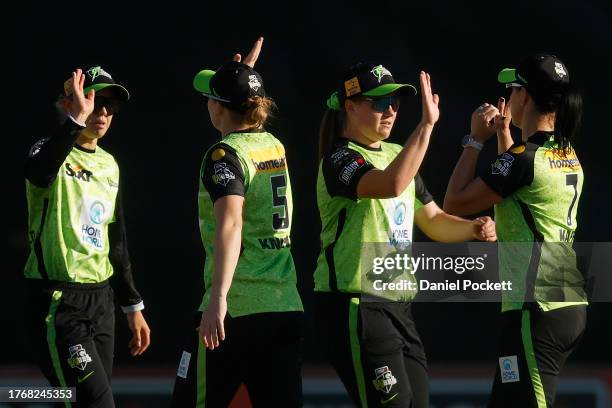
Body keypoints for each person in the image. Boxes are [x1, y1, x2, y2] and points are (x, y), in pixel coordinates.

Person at [314, 62, 497, 408]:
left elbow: (434, 220)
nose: (391, 111)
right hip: (357, 306)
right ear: (350, 106)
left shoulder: (399, 154)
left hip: (399, 308)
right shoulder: (340, 158)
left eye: (396, 103)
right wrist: (427, 126)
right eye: (380, 103)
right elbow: (391, 184)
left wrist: (471, 228)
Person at [443, 54, 587, 408]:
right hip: (562, 303)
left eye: (513, 88)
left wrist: (475, 140)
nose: (508, 95)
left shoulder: (524, 159)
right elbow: (516, 188)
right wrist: (505, 134)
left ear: (525, 97)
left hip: (534, 309)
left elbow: (455, 202)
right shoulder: (565, 152)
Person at [171, 38, 304, 407]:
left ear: (219, 107)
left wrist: (217, 300)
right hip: (283, 306)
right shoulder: (274, 144)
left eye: (210, 97)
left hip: (235, 311)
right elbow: (243, 123)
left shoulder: (223, 155)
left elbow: (231, 225)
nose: (206, 103)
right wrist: (242, 79)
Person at [24, 66, 151, 407]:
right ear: (68, 104)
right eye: (93, 101)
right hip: (59, 302)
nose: (104, 112)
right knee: (96, 403)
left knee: (78, 400)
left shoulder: (110, 165)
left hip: (101, 303)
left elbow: (116, 238)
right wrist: (75, 122)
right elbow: (38, 174)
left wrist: (132, 305)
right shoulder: (45, 150)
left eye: (112, 105)